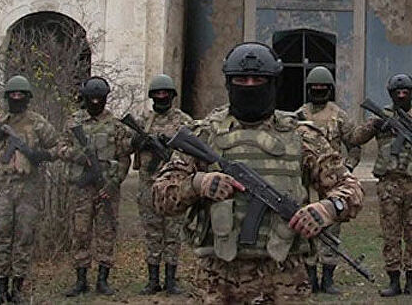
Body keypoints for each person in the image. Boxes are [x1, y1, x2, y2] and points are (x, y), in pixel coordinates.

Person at [152, 42, 363, 305]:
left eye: (259, 79)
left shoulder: (302, 137)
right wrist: (198, 183)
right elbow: (160, 196)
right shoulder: (204, 135)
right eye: (241, 79)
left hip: (285, 280)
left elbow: (350, 188)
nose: (250, 86)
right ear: (229, 84)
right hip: (216, 280)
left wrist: (328, 208)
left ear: (273, 83)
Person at [346, 72, 412, 299]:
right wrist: (377, 126)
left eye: (406, 92)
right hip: (389, 183)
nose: (402, 95)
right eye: (397, 92)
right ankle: (393, 279)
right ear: (391, 94)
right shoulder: (380, 117)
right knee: (390, 233)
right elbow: (355, 138)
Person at [0, 75, 58, 305]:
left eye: (20, 95)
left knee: (24, 237)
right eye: (12, 95)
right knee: (1, 237)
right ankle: (0, 287)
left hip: (30, 187)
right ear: (7, 97)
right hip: (2, 188)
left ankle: (17, 287)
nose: (16, 98)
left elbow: (58, 145)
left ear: (27, 98)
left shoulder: (37, 122)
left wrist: (42, 155)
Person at [60, 76, 133, 297]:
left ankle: (103, 280)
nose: (95, 103)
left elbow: (124, 159)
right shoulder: (74, 123)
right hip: (81, 188)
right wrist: (79, 156)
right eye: (91, 99)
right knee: (80, 232)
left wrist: (113, 183)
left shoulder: (116, 126)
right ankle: (81, 280)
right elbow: (60, 148)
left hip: (106, 188)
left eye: (99, 99)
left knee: (106, 232)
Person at [294, 65, 362, 294]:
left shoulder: (339, 116)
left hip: (331, 182)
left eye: (323, 88)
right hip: (305, 182)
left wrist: (347, 171)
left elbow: (354, 146)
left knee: (331, 230)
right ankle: (310, 276)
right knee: (306, 226)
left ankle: (328, 279)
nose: (318, 91)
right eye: (315, 88)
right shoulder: (299, 116)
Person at [130, 73, 194, 296]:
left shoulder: (184, 121)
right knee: (152, 232)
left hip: (174, 186)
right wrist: (138, 141)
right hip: (148, 184)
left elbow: (193, 149)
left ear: (172, 95)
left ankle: (171, 280)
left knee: (173, 233)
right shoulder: (143, 121)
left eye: (165, 93)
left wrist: (170, 148)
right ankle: (153, 280)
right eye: (157, 94)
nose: (161, 97)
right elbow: (125, 145)